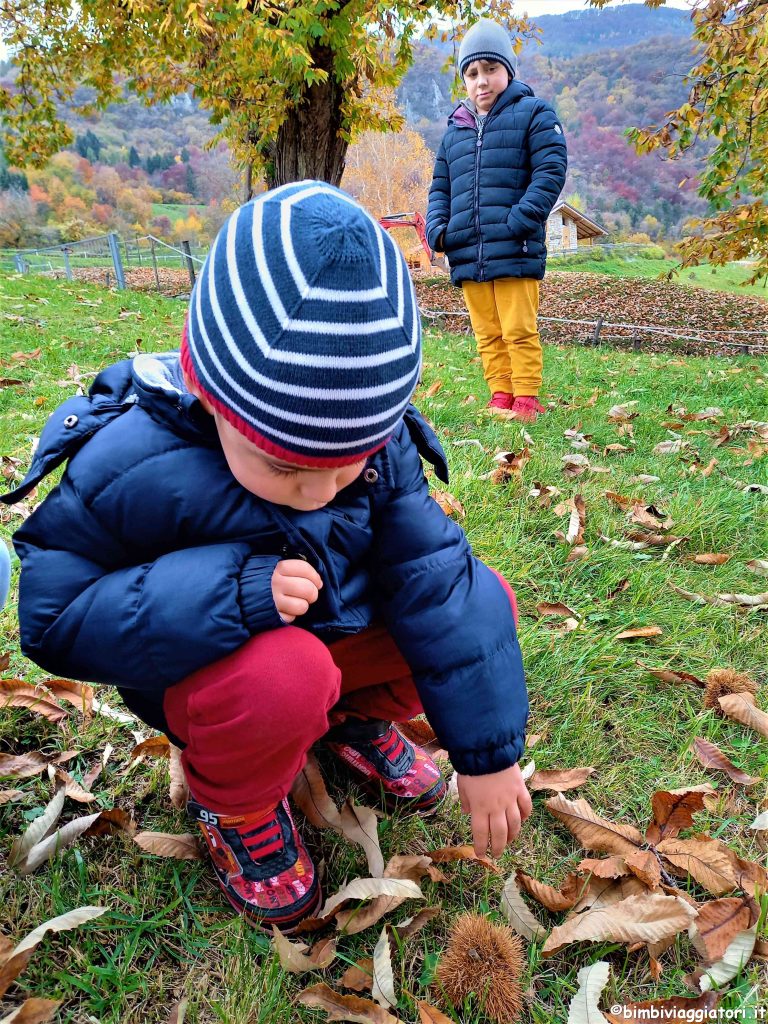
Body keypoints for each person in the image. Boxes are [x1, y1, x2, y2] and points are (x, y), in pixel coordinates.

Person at [4, 182, 531, 933]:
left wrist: (487, 749)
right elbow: (52, 615)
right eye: (283, 466)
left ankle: (346, 726)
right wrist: (233, 592)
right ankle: (237, 803)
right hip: (216, 678)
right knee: (290, 675)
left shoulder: (382, 449)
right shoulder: (130, 462)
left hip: (329, 645)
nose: (317, 492)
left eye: (345, 466)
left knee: (484, 602)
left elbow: (436, 582)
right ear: (210, 392)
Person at [426, 18, 568, 423]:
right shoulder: (454, 132)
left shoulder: (535, 113)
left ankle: (526, 397)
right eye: (472, 73)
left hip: (515, 245)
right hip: (467, 251)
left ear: (507, 69)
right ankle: (500, 393)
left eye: (490, 69)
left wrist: (521, 219)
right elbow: (440, 187)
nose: (481, 81)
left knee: (519, 329)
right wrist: (438, 230)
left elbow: (551, 169)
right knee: (487, 332)